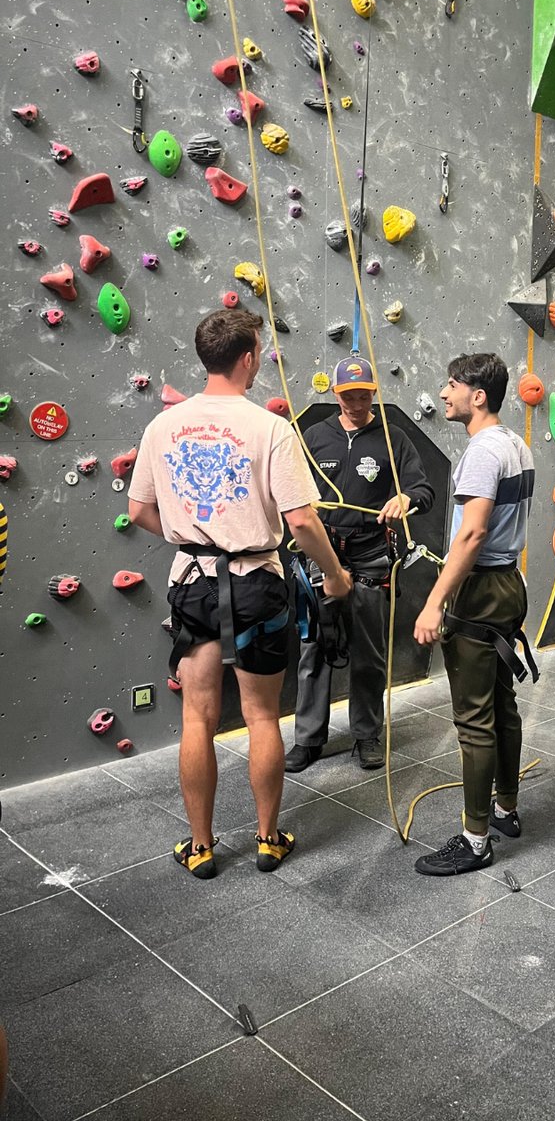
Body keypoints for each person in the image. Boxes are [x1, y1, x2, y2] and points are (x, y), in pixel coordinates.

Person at [128, 309, 352, 881]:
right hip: (257, 584)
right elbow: (301, 521)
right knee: (258, 716)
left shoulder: (163, 428)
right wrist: (334, 576)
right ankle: (268, 839)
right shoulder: (269, 428)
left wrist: (192, 537)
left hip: (195, 584)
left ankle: (201, 847)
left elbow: (139, 511)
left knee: (199, 719)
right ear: (249, 357)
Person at [413, 353, 535, 876]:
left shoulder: (484, 451)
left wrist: (435, 600)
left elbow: (472, 533)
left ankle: (475, 840)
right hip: (508, 581)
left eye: (452, 384)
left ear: (477, 395)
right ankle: (505, 809)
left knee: (474, 718)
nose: (444, 393)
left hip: (480, 587)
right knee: (502, 704)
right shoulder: (516, 444)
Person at [285, 356, 435, 772]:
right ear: (335, 395)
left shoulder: (393, 438)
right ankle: (308, 738)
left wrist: (408, 498)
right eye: (348, 395)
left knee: (370, 653)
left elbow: (423, 488)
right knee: (313, 648)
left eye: (364, 394)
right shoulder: (313, 437)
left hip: (370, 557)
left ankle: (367, 735)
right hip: (321, 556)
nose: (356, 402)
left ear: (374, 393)